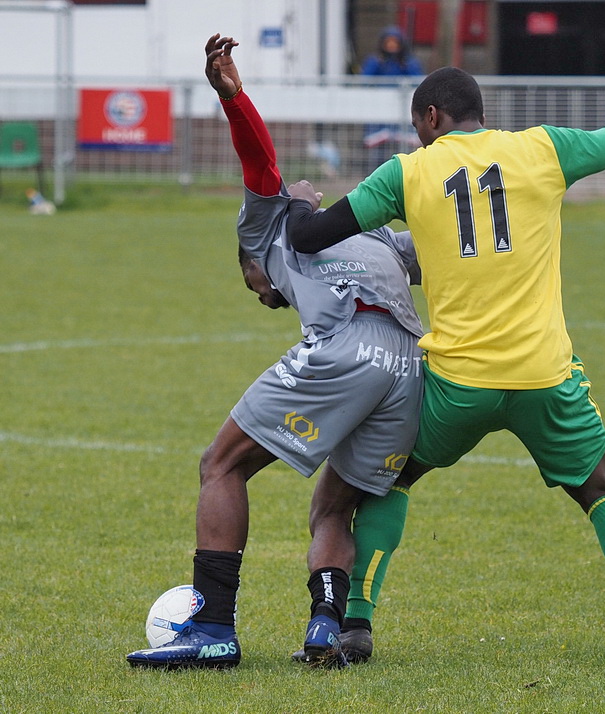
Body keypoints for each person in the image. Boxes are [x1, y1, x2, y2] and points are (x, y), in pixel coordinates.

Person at [285, 23, 605, 662]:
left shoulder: (407, 172)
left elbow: (315, 238)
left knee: (388, 482)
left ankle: (358, 628)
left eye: (419, 123)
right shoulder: (541, 149)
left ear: (430, 116)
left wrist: (299, 205)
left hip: (456, 383)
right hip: (544, 374)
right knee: (600, 491)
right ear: (484, 115)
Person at [125, 33, 424, 670]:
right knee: (334, 503)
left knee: (220, 464)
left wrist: (234, 98)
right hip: (408, 367)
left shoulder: (266, 230)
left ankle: (211, 629)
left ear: (248, 257)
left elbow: (259, 162)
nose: (263, 295)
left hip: (348, 349)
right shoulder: (373, 233)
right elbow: (446, 258)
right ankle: (325, 630)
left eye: (251, 284)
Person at [361, 26, 424, 171]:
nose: (391, 46)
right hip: (379, 115)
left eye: (395, 42)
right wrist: (378, 64)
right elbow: (365, 80)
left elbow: (418, 82)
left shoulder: (409, 62)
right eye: (388, 42)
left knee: (404, 152)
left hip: (402, 116)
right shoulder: (375, 61)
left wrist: (405, 65)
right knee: (378, 154)